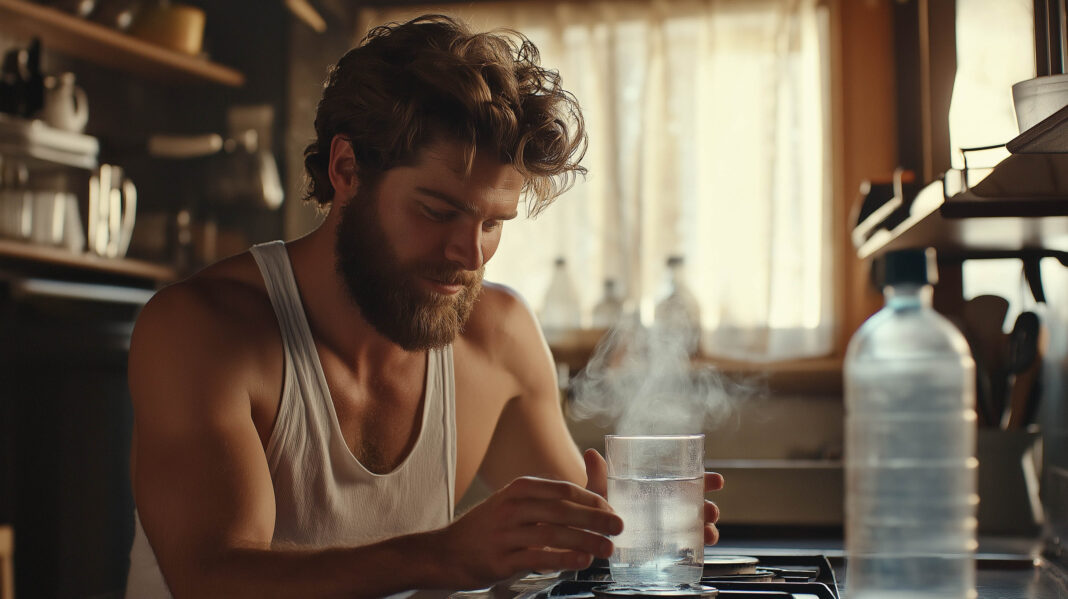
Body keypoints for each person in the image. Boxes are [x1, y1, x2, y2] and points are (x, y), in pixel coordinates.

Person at [125, 14, 723, 598]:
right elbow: (211, 580)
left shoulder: (500, 339)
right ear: (346, 169)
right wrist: (442, 556)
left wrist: (619, 535)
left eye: (493, 222)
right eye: (438, 211)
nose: (469, 254)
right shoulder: (201, 331)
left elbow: (569, 537)